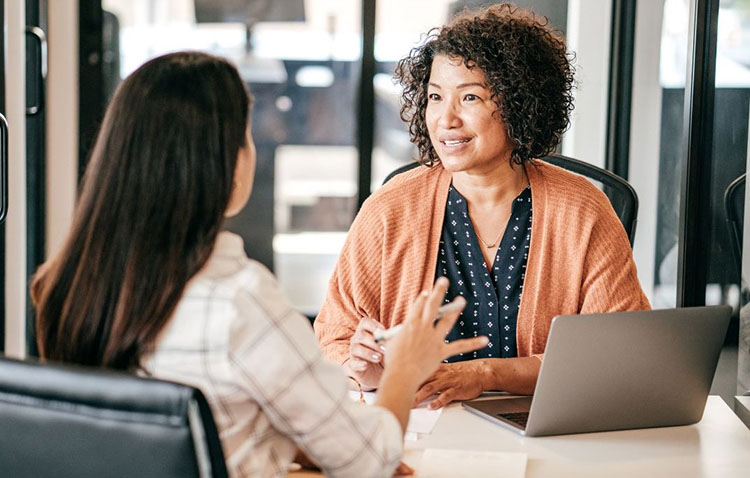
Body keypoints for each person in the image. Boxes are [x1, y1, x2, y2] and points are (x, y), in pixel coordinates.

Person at [30, 51, 487, 478]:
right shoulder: (239, 300)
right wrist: (405, 369)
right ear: (224, 164)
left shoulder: (65, 285)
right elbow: (369, 461)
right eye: (248, 135)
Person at [314, 4, 650, 409]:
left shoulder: (582, 209)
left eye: (469, 96)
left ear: (518, 102)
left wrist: (487, 373)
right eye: (435, 97)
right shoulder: (389, 208)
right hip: (418, 423)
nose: (445, 119)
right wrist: (363, 369)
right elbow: (335, 337)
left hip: (543, 427)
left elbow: (615, 353)